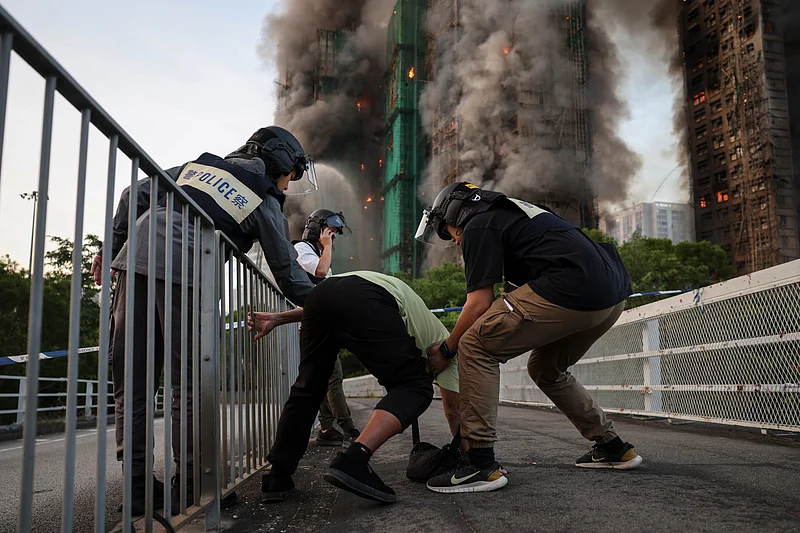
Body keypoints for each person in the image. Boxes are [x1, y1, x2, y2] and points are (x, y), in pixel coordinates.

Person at [98, 126, 318, 514]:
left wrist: (112, 251)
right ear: (281, 163)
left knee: (133, 381)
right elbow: (287, 272)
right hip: (188, 267)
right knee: (189, 383)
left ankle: (136, 490)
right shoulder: (262, 197)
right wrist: (333, 301)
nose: (287, 185)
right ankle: (194, 481)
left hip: (134, 259)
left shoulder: (196, 168)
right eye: (290, 175)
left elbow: (133, 195)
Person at [415, 182, 641, 495]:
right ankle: (614, 447)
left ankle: (479, 463)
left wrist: (446, 349)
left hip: (572, 286)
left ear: (456, 213)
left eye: (449, 232)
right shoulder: (518, 215)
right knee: (546, 370)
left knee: (475, 345)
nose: (454, 240)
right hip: (612, 293)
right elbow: (514, 299)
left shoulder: (478, 224)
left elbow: (479, 303)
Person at [248, 271, 461, 504]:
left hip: (321, 296)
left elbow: (340, 300)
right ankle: (354, 459)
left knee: (308, 388)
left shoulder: (417, 315)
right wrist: (471, 457)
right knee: (416, 387)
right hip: (367, 297)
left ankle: (278, 477)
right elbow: (454, 411)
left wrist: (278, 318)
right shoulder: (448, 349)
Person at [292, 209, 359, 446]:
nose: (334, 238)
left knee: (323, 377)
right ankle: (348, 427)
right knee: (333, 377)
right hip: (312, 324)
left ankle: (326, 428)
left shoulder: (321, 254)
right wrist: (327, 246)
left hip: (321, 322)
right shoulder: (302, 249)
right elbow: (320, 273)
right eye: (331, 232)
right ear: (318, 230)